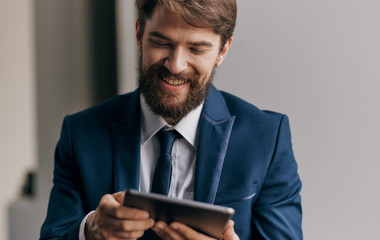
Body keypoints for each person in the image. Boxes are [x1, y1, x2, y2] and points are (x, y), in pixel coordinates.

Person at [40, 0, 303, 239]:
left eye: (197, 49)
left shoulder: (267, 138)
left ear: (223, 50)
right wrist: (91, 231)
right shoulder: (81, 133)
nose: (175, 65)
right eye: (162, 42)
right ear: (139, 35)